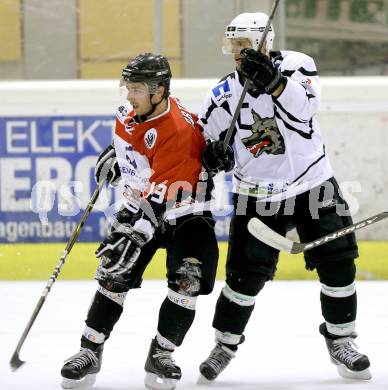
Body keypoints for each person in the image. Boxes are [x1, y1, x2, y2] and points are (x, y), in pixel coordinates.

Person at [197, 12, 371, 382]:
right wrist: (211, 157)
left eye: (244, 45)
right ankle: (224, 344)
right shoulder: (223, 93)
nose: (237, 53)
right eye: (233, 46)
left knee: (339, 263)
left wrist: (275, 83)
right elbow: (201, 143)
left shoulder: (297, 66)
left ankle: (341, 339)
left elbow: (304, 109)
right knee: (244, 278)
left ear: (265, 42)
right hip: (255, 195)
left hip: (313, 183)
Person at [60, 53, 219, 390]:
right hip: (140, 206)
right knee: (114, 273)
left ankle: (161, 354)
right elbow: (136, 149)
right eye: (128, 87)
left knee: (187, 281)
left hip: (188, 212)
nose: (129, 96)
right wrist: (116, 157)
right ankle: (89, 351)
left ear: (159, 90)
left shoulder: (179, 129)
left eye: (136, 89)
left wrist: (137, 231)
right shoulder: (128, 114)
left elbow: (165, 194)